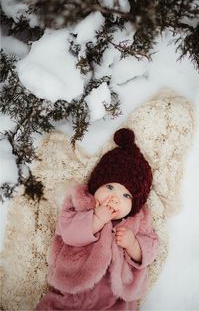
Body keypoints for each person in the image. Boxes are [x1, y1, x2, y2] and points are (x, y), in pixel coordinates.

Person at [35, 128, 159, 311]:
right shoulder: (81, 203)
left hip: (116, 300)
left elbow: (152, 246)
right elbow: (67, 232)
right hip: (73, 293)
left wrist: (133, 244)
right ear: (96, 186)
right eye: (109, 187)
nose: (115, 198)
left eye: (126, 196)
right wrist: (96, 219)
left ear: (135, 204)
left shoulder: (138, 220)